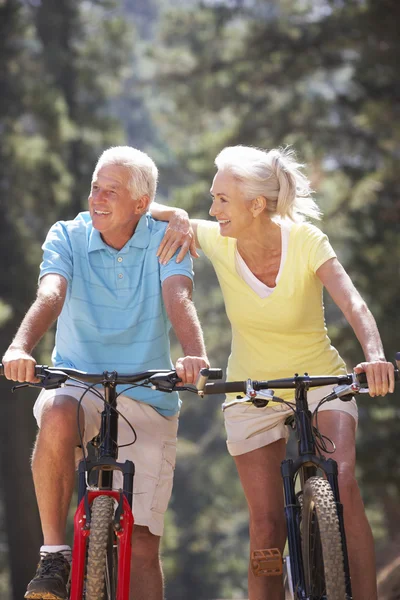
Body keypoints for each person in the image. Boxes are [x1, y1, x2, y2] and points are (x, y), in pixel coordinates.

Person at [151, 145, 395, 600]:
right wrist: (178, 214)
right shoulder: (218, 239)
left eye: (222, 199)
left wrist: (375, 356)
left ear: (255, 204)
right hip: (251, 389)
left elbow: (353, 303)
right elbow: (143, 206)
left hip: (322, 380)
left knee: (342, 482)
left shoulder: (305, 240)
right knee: (266, 524)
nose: (213, 209)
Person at [2, 146, 209, 600]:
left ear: (141, 204)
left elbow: (179, 297)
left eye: (110, 191)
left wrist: (194, 354)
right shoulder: (68, 235)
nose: (96, 198)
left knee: (142, 545)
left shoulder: (166, 237)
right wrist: (21, 346)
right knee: (56, 410)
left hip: (150, 394)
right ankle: (54, 554)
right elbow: (52, 293)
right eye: (95, 186)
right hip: (81, 384)